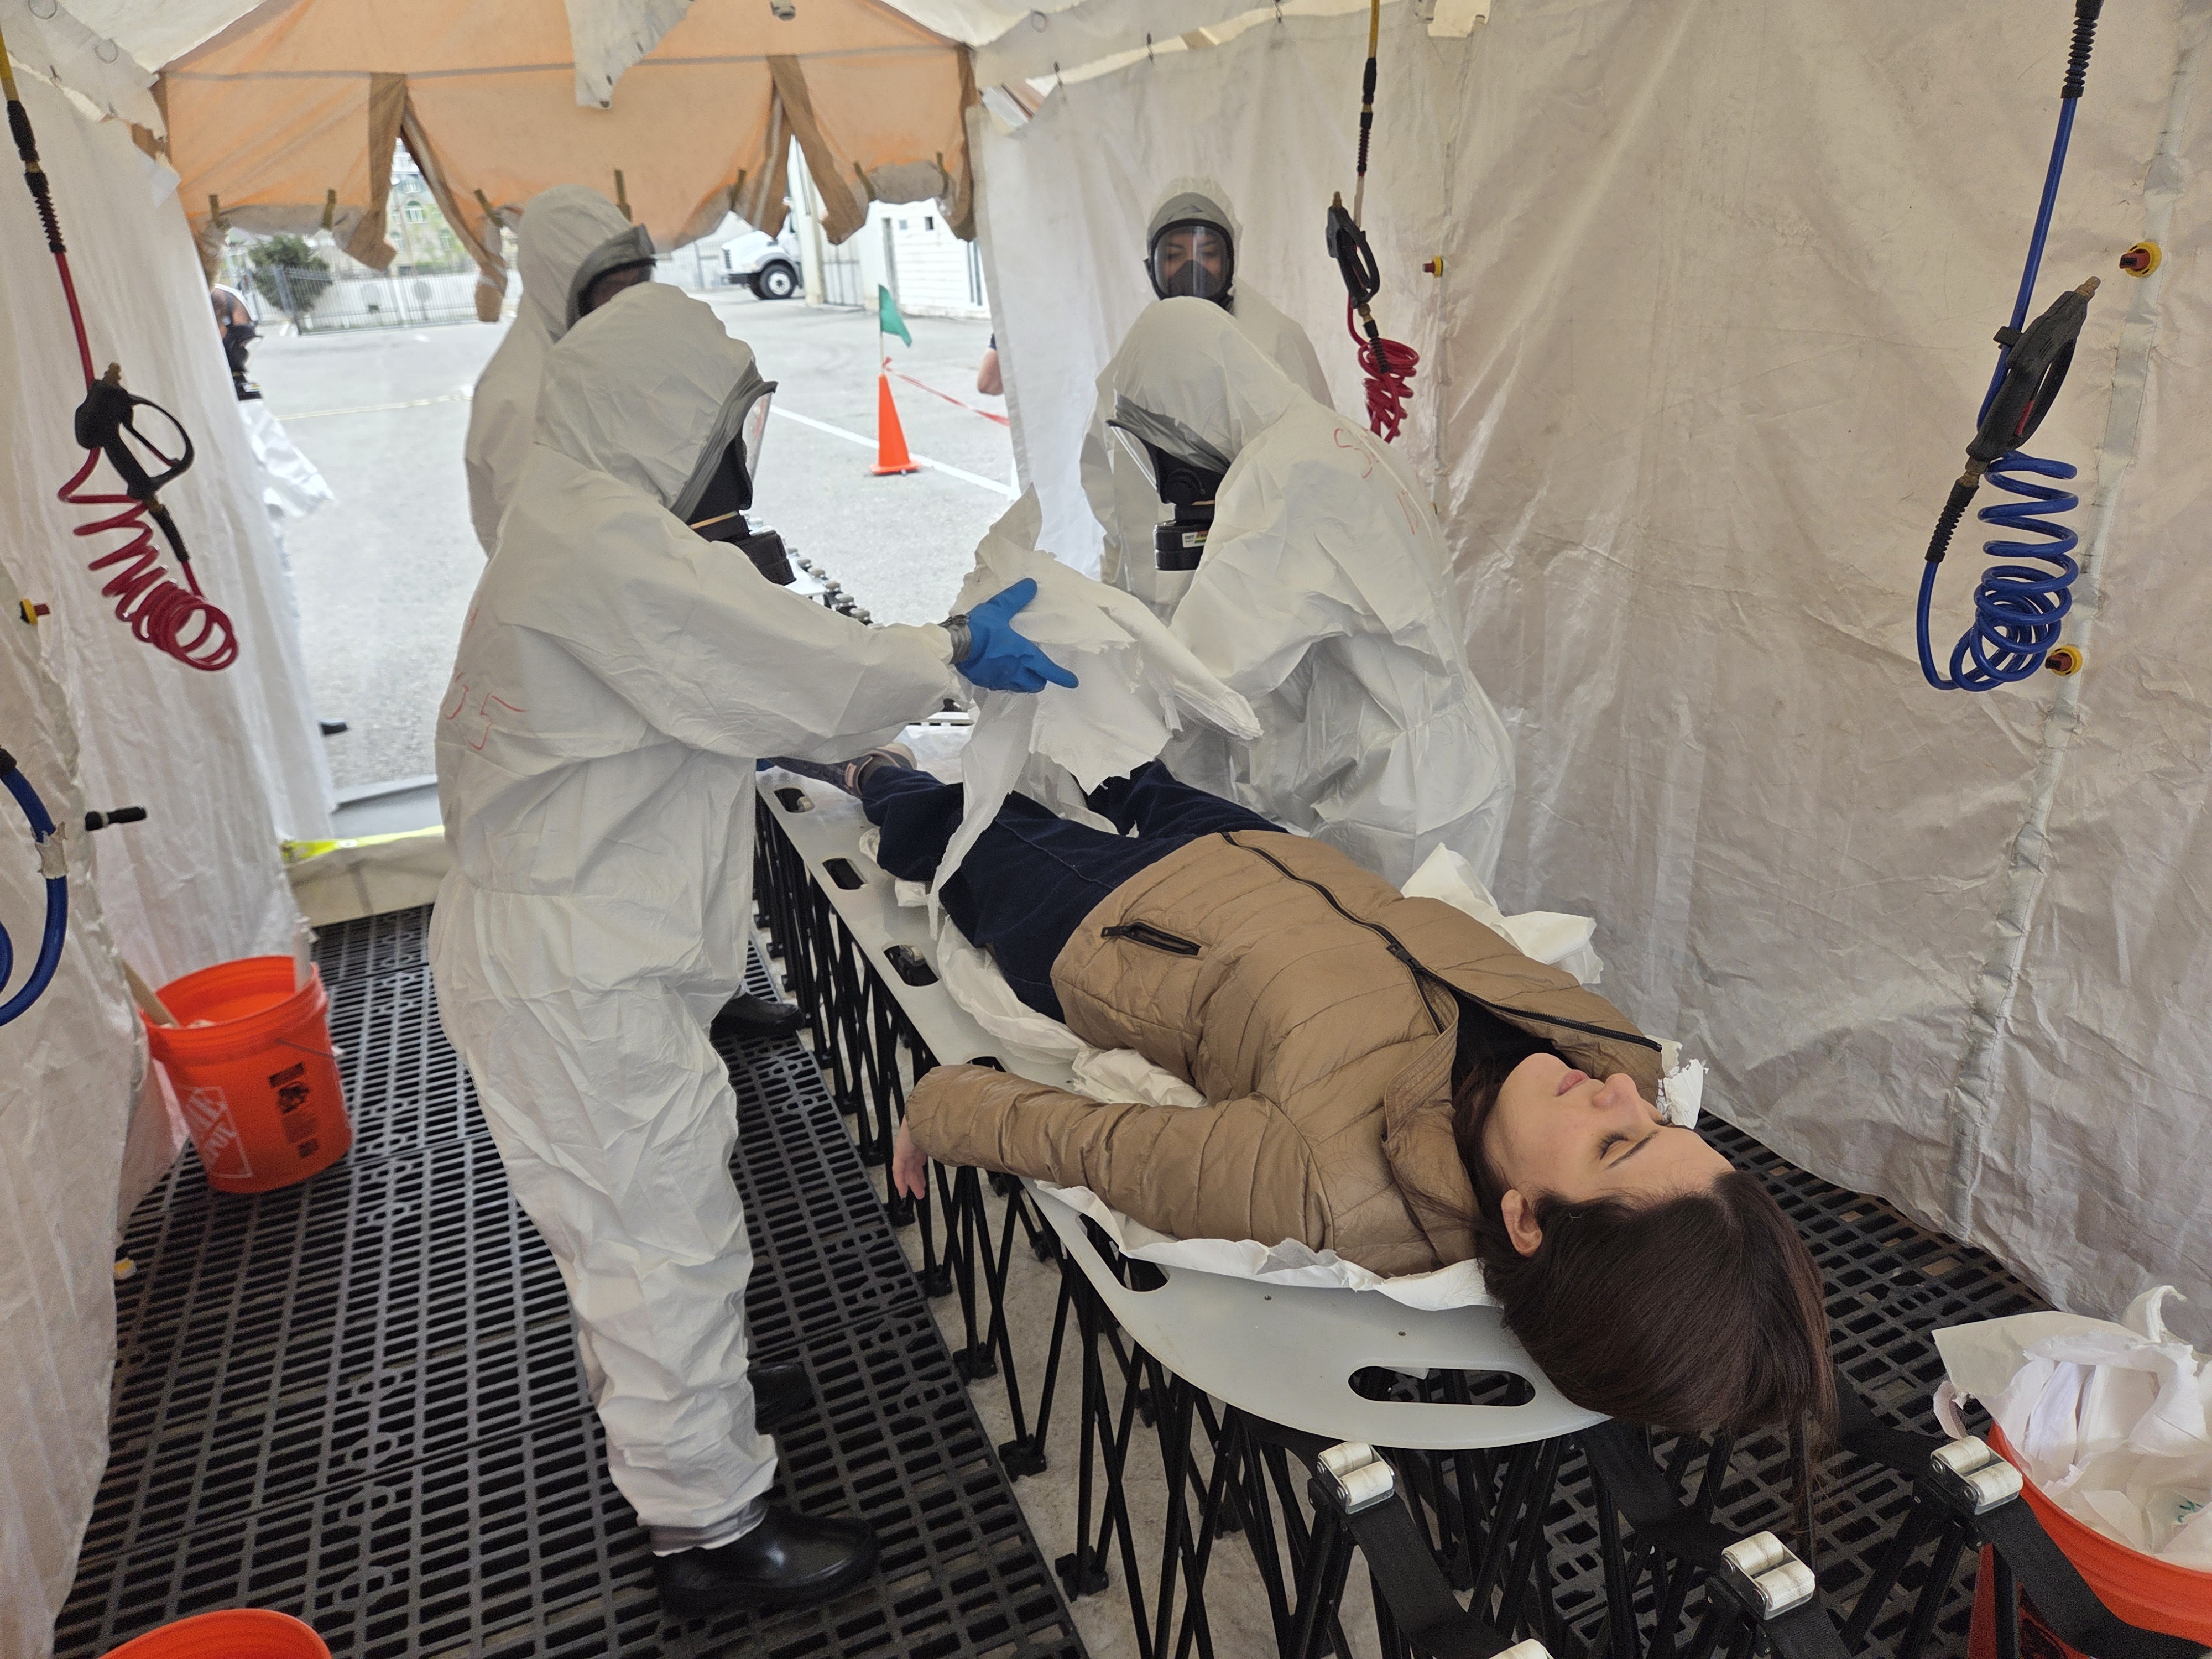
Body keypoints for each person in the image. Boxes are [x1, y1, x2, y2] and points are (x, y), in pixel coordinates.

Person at [427, 284, 1074, 1618]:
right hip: (576, 967)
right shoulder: (605, 546)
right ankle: (709, 1530)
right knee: (656, 1244)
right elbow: (803, 672)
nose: (732, 456)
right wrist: (954, 651)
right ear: (664, 419)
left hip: (572, 947)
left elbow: (727, 686)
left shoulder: (575, 515)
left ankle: (684, 1403)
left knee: (640, 1232)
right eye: (723, 428)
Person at [841, 756, 1830, 1436]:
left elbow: (1098, 1148)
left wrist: (942, 1110)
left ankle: (866, 772)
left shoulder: (1332, 1184)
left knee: (959, 821)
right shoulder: (1613, 1060)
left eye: (1618, 1143)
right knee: (1119, 754)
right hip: (1275, 858)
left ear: (1526, 1221)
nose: (1623, 1093)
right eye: (1661, 1121)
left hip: (1113, 919)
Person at [465, 184, 808, 1037]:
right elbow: (566, 553)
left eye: (637, 282)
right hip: (594, 662)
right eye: (610, 289)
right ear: (561, 286)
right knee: (633, 856)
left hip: (641, 637)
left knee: (692, 832)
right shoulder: (522, 394)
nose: (628, 303)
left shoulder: (595, 365)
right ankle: (661, 1018)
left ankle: (707, 991)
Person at [1096, 295, 1513, 891]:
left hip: (1404, 798)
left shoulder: (1285, 476)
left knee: (1396, 946)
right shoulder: (1330, 436)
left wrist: (1079, 678)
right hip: (1445, 760)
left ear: (1187, 407)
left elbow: (1202, 677)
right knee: (1447, 936)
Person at [1082, 179, 1334, 606]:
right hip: (1153, 593)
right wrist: (1117, 580)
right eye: (1174, 255)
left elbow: (1320, 463)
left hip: (1256, 591)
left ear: (1230, 258)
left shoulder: (1275, 342)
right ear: (1151, 265)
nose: (1192, 268)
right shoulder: (1132, 361)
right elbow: (1104, 476)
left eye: (1207, 253)